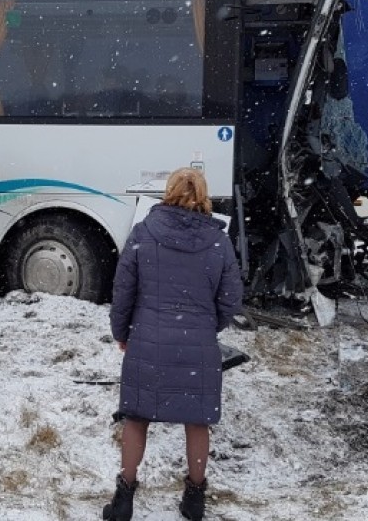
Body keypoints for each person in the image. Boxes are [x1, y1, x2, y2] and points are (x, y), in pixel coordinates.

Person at [103, 168, 243, 521]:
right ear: (204, 195)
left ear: (169, 192)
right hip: (198, 343)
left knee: (137, 417)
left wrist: (122, 332)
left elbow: (123, 290)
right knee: (197, 421)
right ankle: (194, 500)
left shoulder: (144, 232)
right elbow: (230, 299)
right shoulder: (218, 241)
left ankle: (123, 500)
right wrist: (207, 328)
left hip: (147, 340)